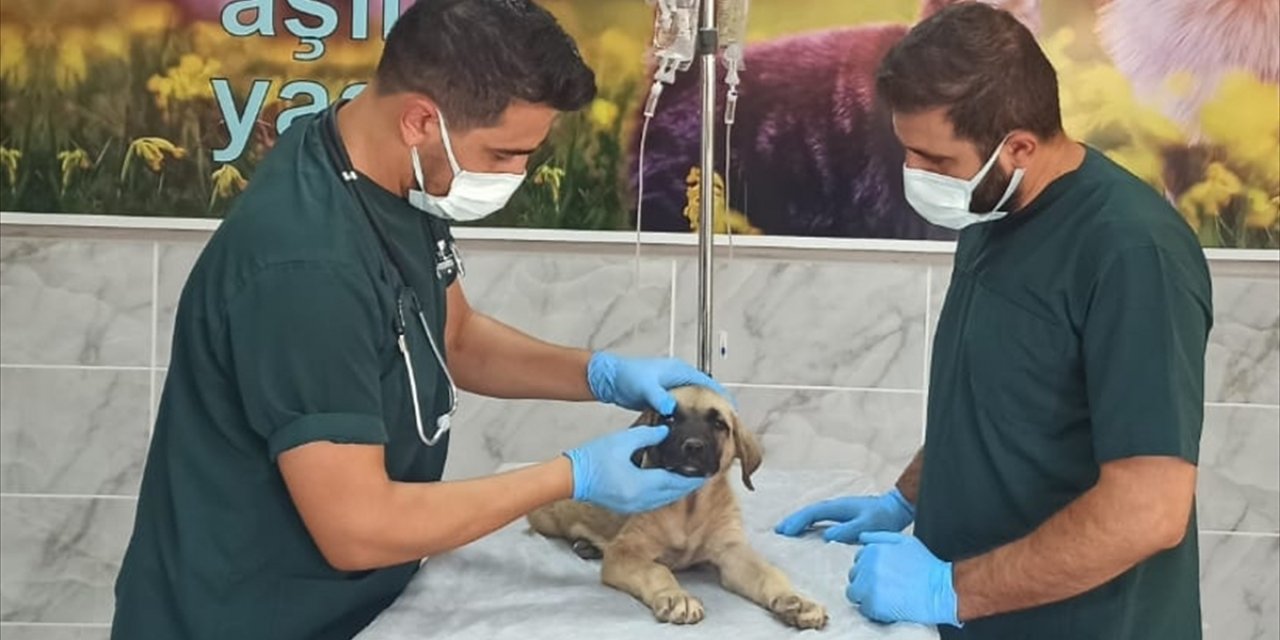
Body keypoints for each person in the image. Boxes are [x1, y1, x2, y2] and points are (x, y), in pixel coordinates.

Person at [110, 2, 729, 639]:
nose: (518, 174)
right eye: (503, 154)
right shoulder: (305, 270)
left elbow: (453, 336)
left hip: (361, 606)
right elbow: (358, 528)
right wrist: (572, 476)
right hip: (248, 618)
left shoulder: (380, 172)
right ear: (420, 121)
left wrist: (600, 374)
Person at [775, 4, 1212, 639]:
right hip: (976, 617)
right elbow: (994, 402)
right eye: (907, 153)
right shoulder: (992, 213)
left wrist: (946, 589)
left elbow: (1149, 509)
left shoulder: (1132, 253)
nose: (914, 176)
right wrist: (904, 499)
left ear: (1019, 147)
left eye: (935, 160)